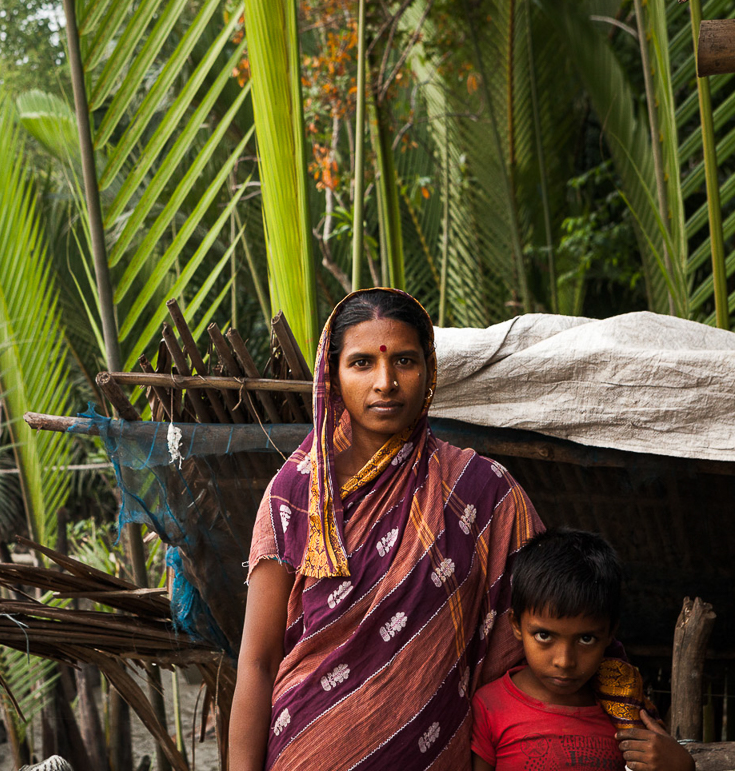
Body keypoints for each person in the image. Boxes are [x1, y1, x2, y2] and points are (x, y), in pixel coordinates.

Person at [230, 289, 542, 771]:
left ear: (429, 370)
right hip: (307, 749)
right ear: (331, 375)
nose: (386, 382)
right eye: (361, 363)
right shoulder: (296, 493)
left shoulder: (480, 492)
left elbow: (557, 606)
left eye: (405, 361)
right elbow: (257, 661)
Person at [471, 529, 693, 771]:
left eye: (586, 639)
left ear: (610, 633)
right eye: (544, 635)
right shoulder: (490, 707)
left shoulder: (625, 709)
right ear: (516, 624)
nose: (564, 661)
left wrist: (682, 766)